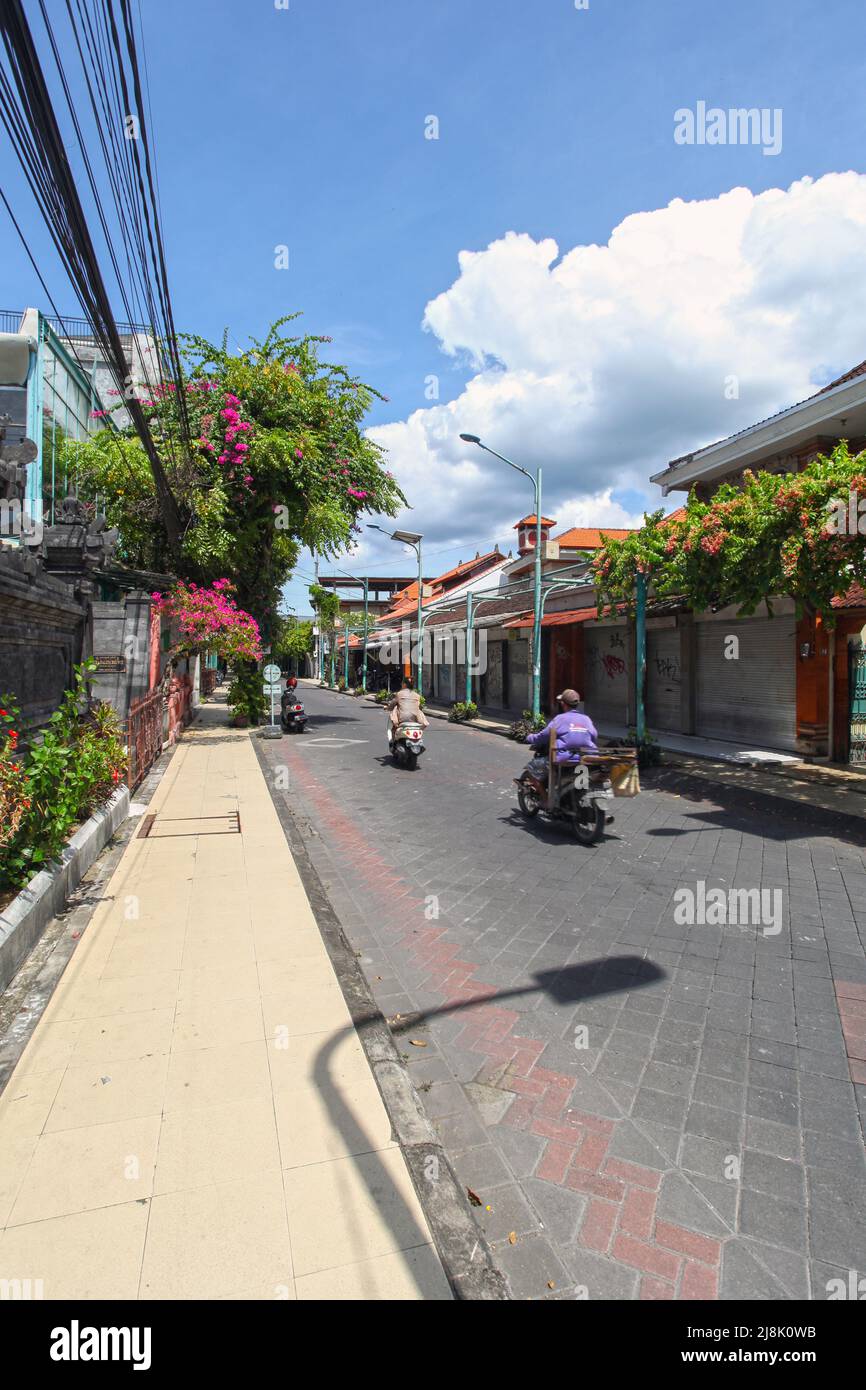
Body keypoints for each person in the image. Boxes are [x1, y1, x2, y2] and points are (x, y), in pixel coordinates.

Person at [524, 689, 597, 787]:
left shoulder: (560, 719)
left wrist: (529, 737)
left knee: (531, 769)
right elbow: (594, 736)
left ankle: (546, 800)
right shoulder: (586, 719)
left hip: (564, 758)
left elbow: (542, 736)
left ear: (563, 704)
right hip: (587, 757)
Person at [387, 676, 428, 741]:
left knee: (395, 709)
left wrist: (387, 708)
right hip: (415, 720)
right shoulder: (417, 696)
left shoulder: (399, 694)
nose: (401, 685)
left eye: (402, 683)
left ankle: (393, 742)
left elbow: (392, 705)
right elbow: (419, 707)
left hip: (402, 719)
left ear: (404, 684)